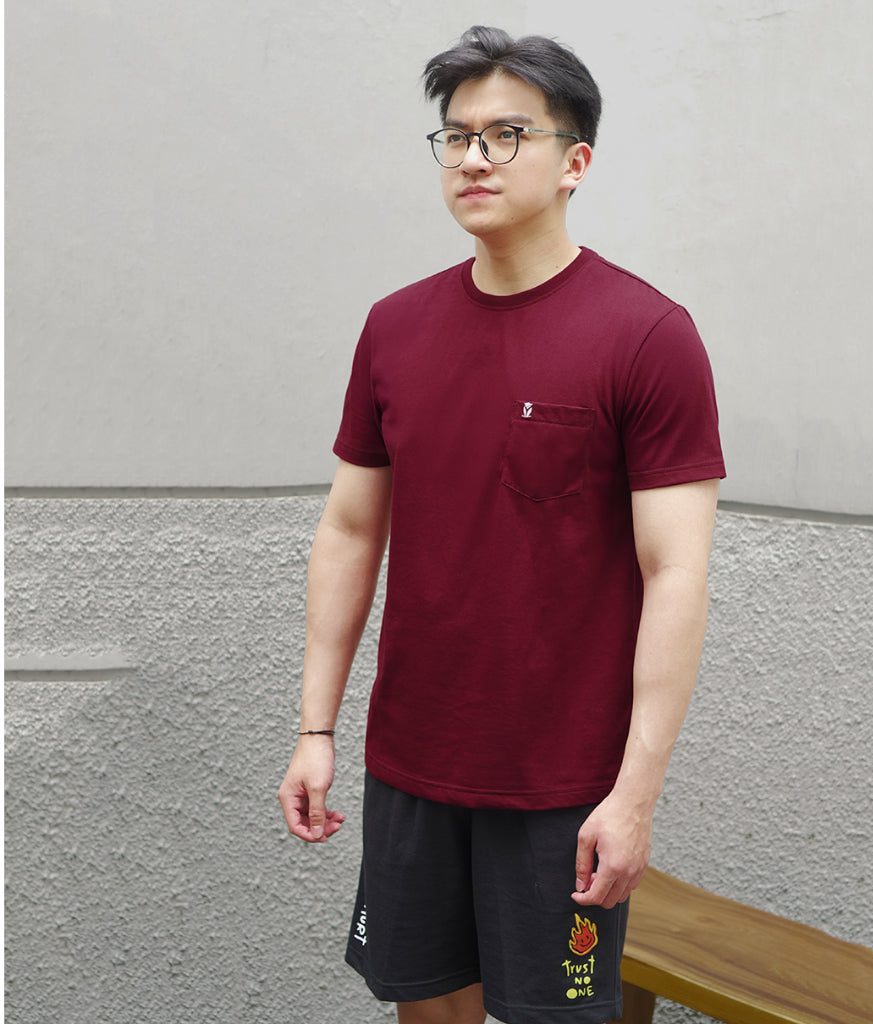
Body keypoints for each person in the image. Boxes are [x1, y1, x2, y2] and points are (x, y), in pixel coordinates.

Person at [278, 25, 725, 1024]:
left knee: (559, 1013)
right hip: (413, 761)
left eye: (507, 134)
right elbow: (350, 532)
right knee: (426, 1004)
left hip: (563, 784)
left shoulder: (647, 337)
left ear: (575, 163)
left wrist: (635, 794)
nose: (473, 157)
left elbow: (677, 575)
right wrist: (316, 729)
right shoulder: (394, 328)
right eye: (456, 135)